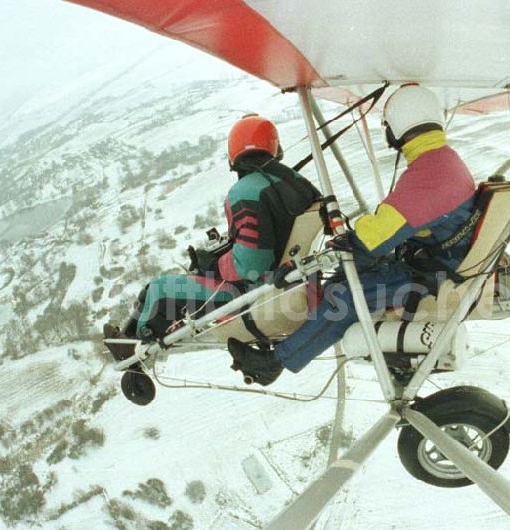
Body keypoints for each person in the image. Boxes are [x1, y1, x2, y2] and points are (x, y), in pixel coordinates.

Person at [228, 84, 477, 385]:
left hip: (434, 275)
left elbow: (374, 240)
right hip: (434, 260)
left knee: (342, 296)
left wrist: (349, 242)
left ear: (398, 126)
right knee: (348, 275)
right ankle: (307, 333)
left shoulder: (430, 174)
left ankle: (275, 363)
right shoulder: (440, 161)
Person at [107, 114, 320, 344]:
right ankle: (127, 335)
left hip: (254, 292)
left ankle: (133, 346)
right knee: (162, 287)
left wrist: (214, 263)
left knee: (159, 290)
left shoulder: (245, 192)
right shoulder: (295, 182)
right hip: (287, 278)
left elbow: (251, 266)